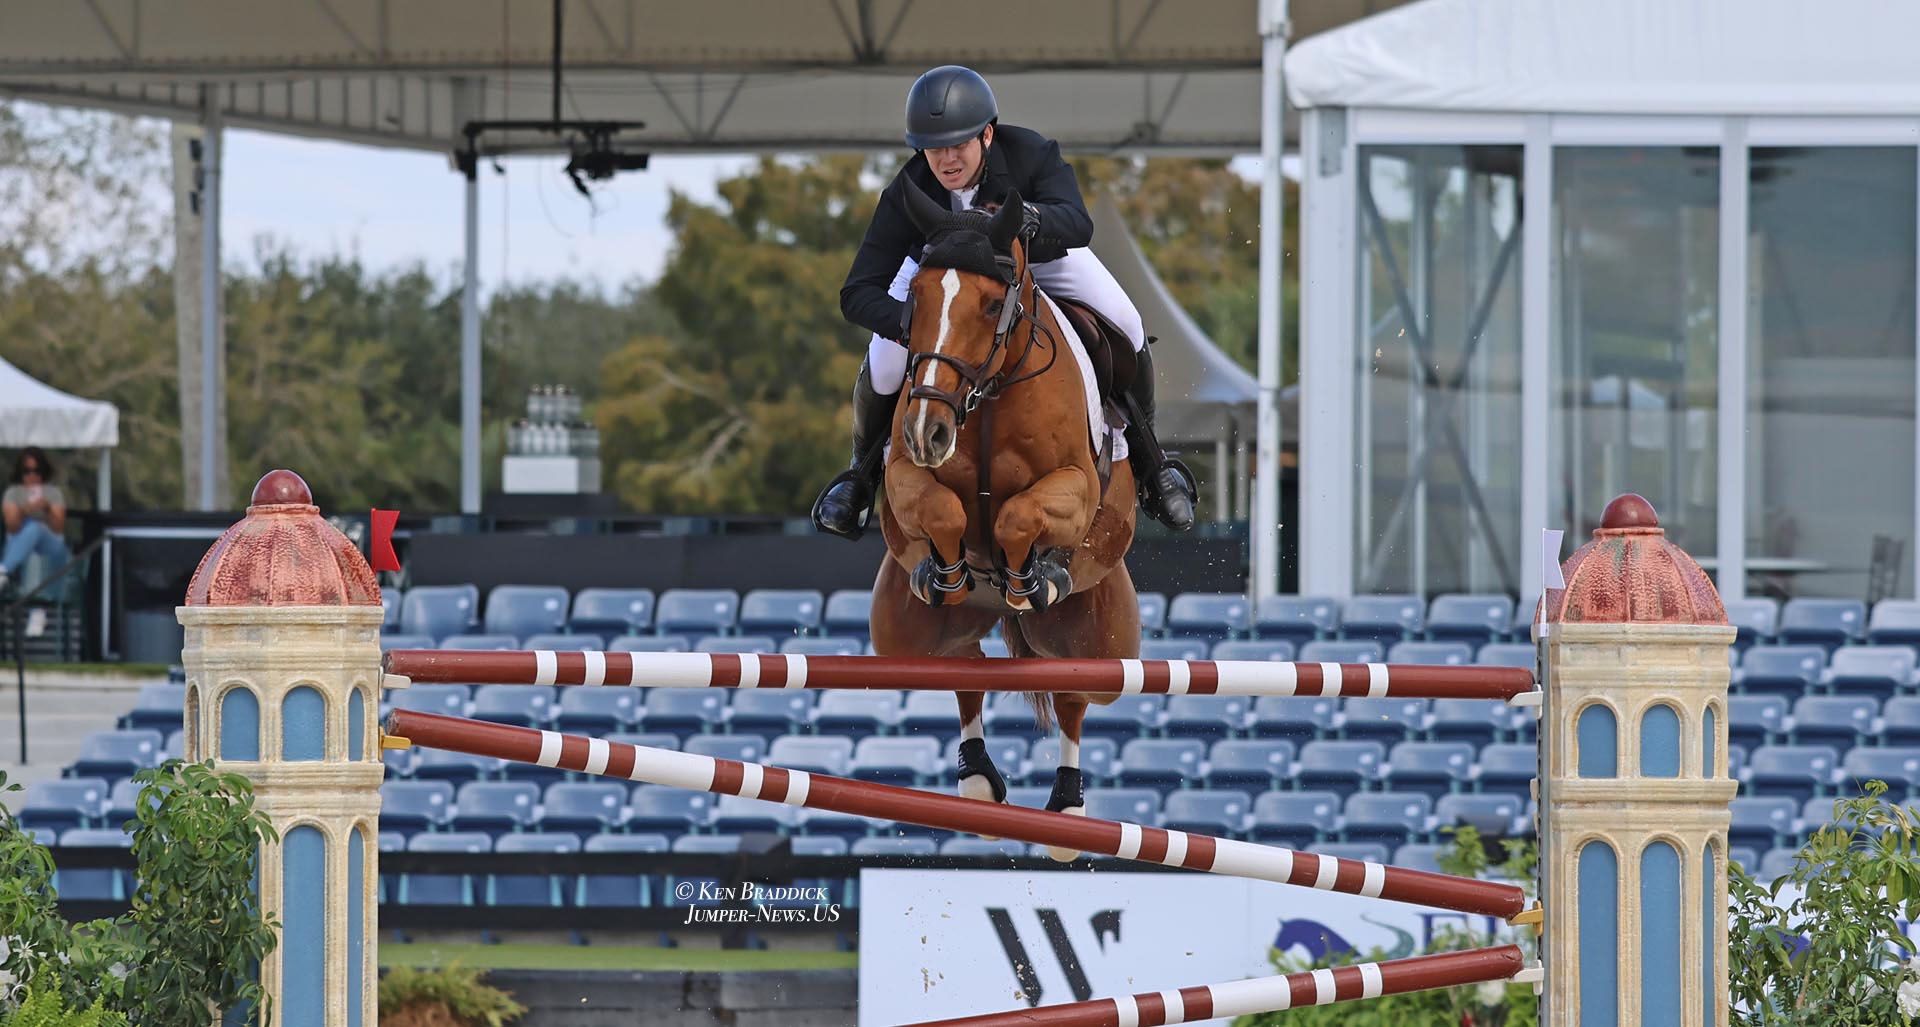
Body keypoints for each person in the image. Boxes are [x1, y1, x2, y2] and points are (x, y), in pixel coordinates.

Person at [811, 64, 1197, 540]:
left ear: (987, 135)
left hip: (1038, 261)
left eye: (958, 145)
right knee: (885, 363)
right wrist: (917, 322)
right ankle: (861, 475)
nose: (947, 159)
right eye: (934, 149)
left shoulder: (1032, 153)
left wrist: (1032, 217)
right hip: (944, 281)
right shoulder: (906, 192)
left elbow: (1078, 224)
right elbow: (857, 292)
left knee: (1127, 322)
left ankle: (1150, 463)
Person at [2, 447, 70, 591]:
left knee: (35, 528)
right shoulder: (13, 493)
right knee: (28, 528)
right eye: (27, 471)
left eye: (37, 471)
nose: (32, 476)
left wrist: (47, 509)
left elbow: (58, 528)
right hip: (19, 542)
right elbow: (12, 527)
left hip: (50, 544)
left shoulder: (53, 493)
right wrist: (24, 511)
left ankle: (3, 571)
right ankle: (6, 572)